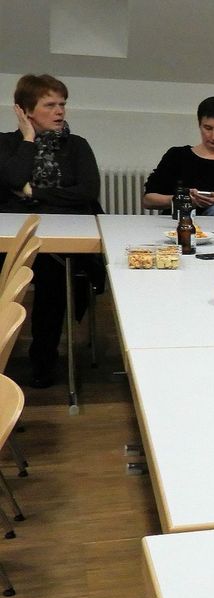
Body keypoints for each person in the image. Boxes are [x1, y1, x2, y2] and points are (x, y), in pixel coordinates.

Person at [0, 74, 100, 388]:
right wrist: (28, 139)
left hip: (60, 243)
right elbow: (15, 179)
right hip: (10, 240)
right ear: (26, 111)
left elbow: (87, 191)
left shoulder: (76, 146)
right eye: (50, 105)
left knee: (54, 273)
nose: (60, 112)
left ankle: (43, 360)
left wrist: (35, 194)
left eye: (62, 104)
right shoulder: (7, 143)